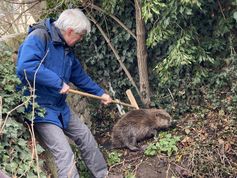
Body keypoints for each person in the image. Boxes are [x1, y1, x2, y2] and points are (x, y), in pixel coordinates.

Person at [16, 9, 112, 178]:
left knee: (85, 137)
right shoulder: (39, 37)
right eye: (80, 36)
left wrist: (100, 93)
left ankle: (103, 174)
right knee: (65, 154)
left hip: (60, 107)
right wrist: (57, 82)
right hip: (40, 109)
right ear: (69, 31)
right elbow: (25, 66)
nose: (80, 40)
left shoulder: (66, 48)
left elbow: (79, 76)